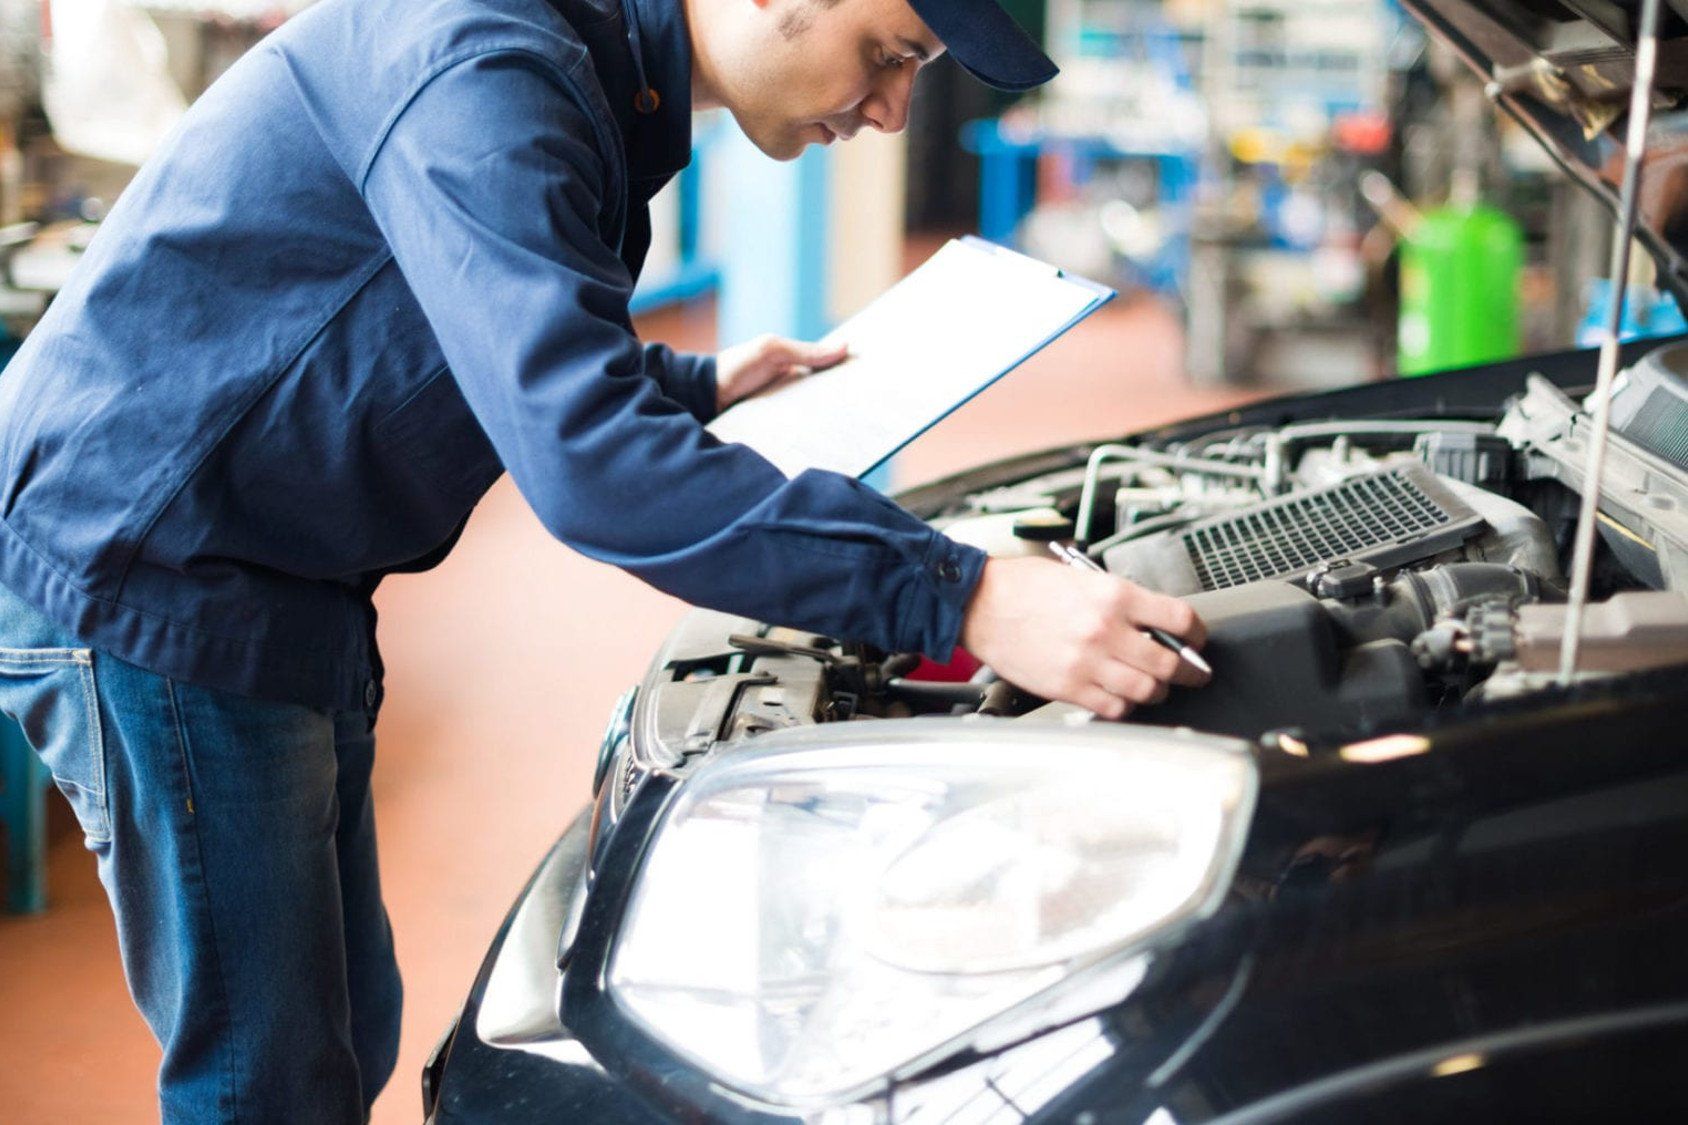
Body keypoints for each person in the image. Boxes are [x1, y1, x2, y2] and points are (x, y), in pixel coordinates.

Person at [0, 0, 1208, 1117]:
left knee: (343, 1032)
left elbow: (462, 316)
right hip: (152, 564)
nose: (892, 109)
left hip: (271, 563)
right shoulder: (487, 65)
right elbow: (593, 471)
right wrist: (968, 597)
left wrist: (685, 384)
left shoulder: (585, 73)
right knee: (267, 1076)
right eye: (889, 54)